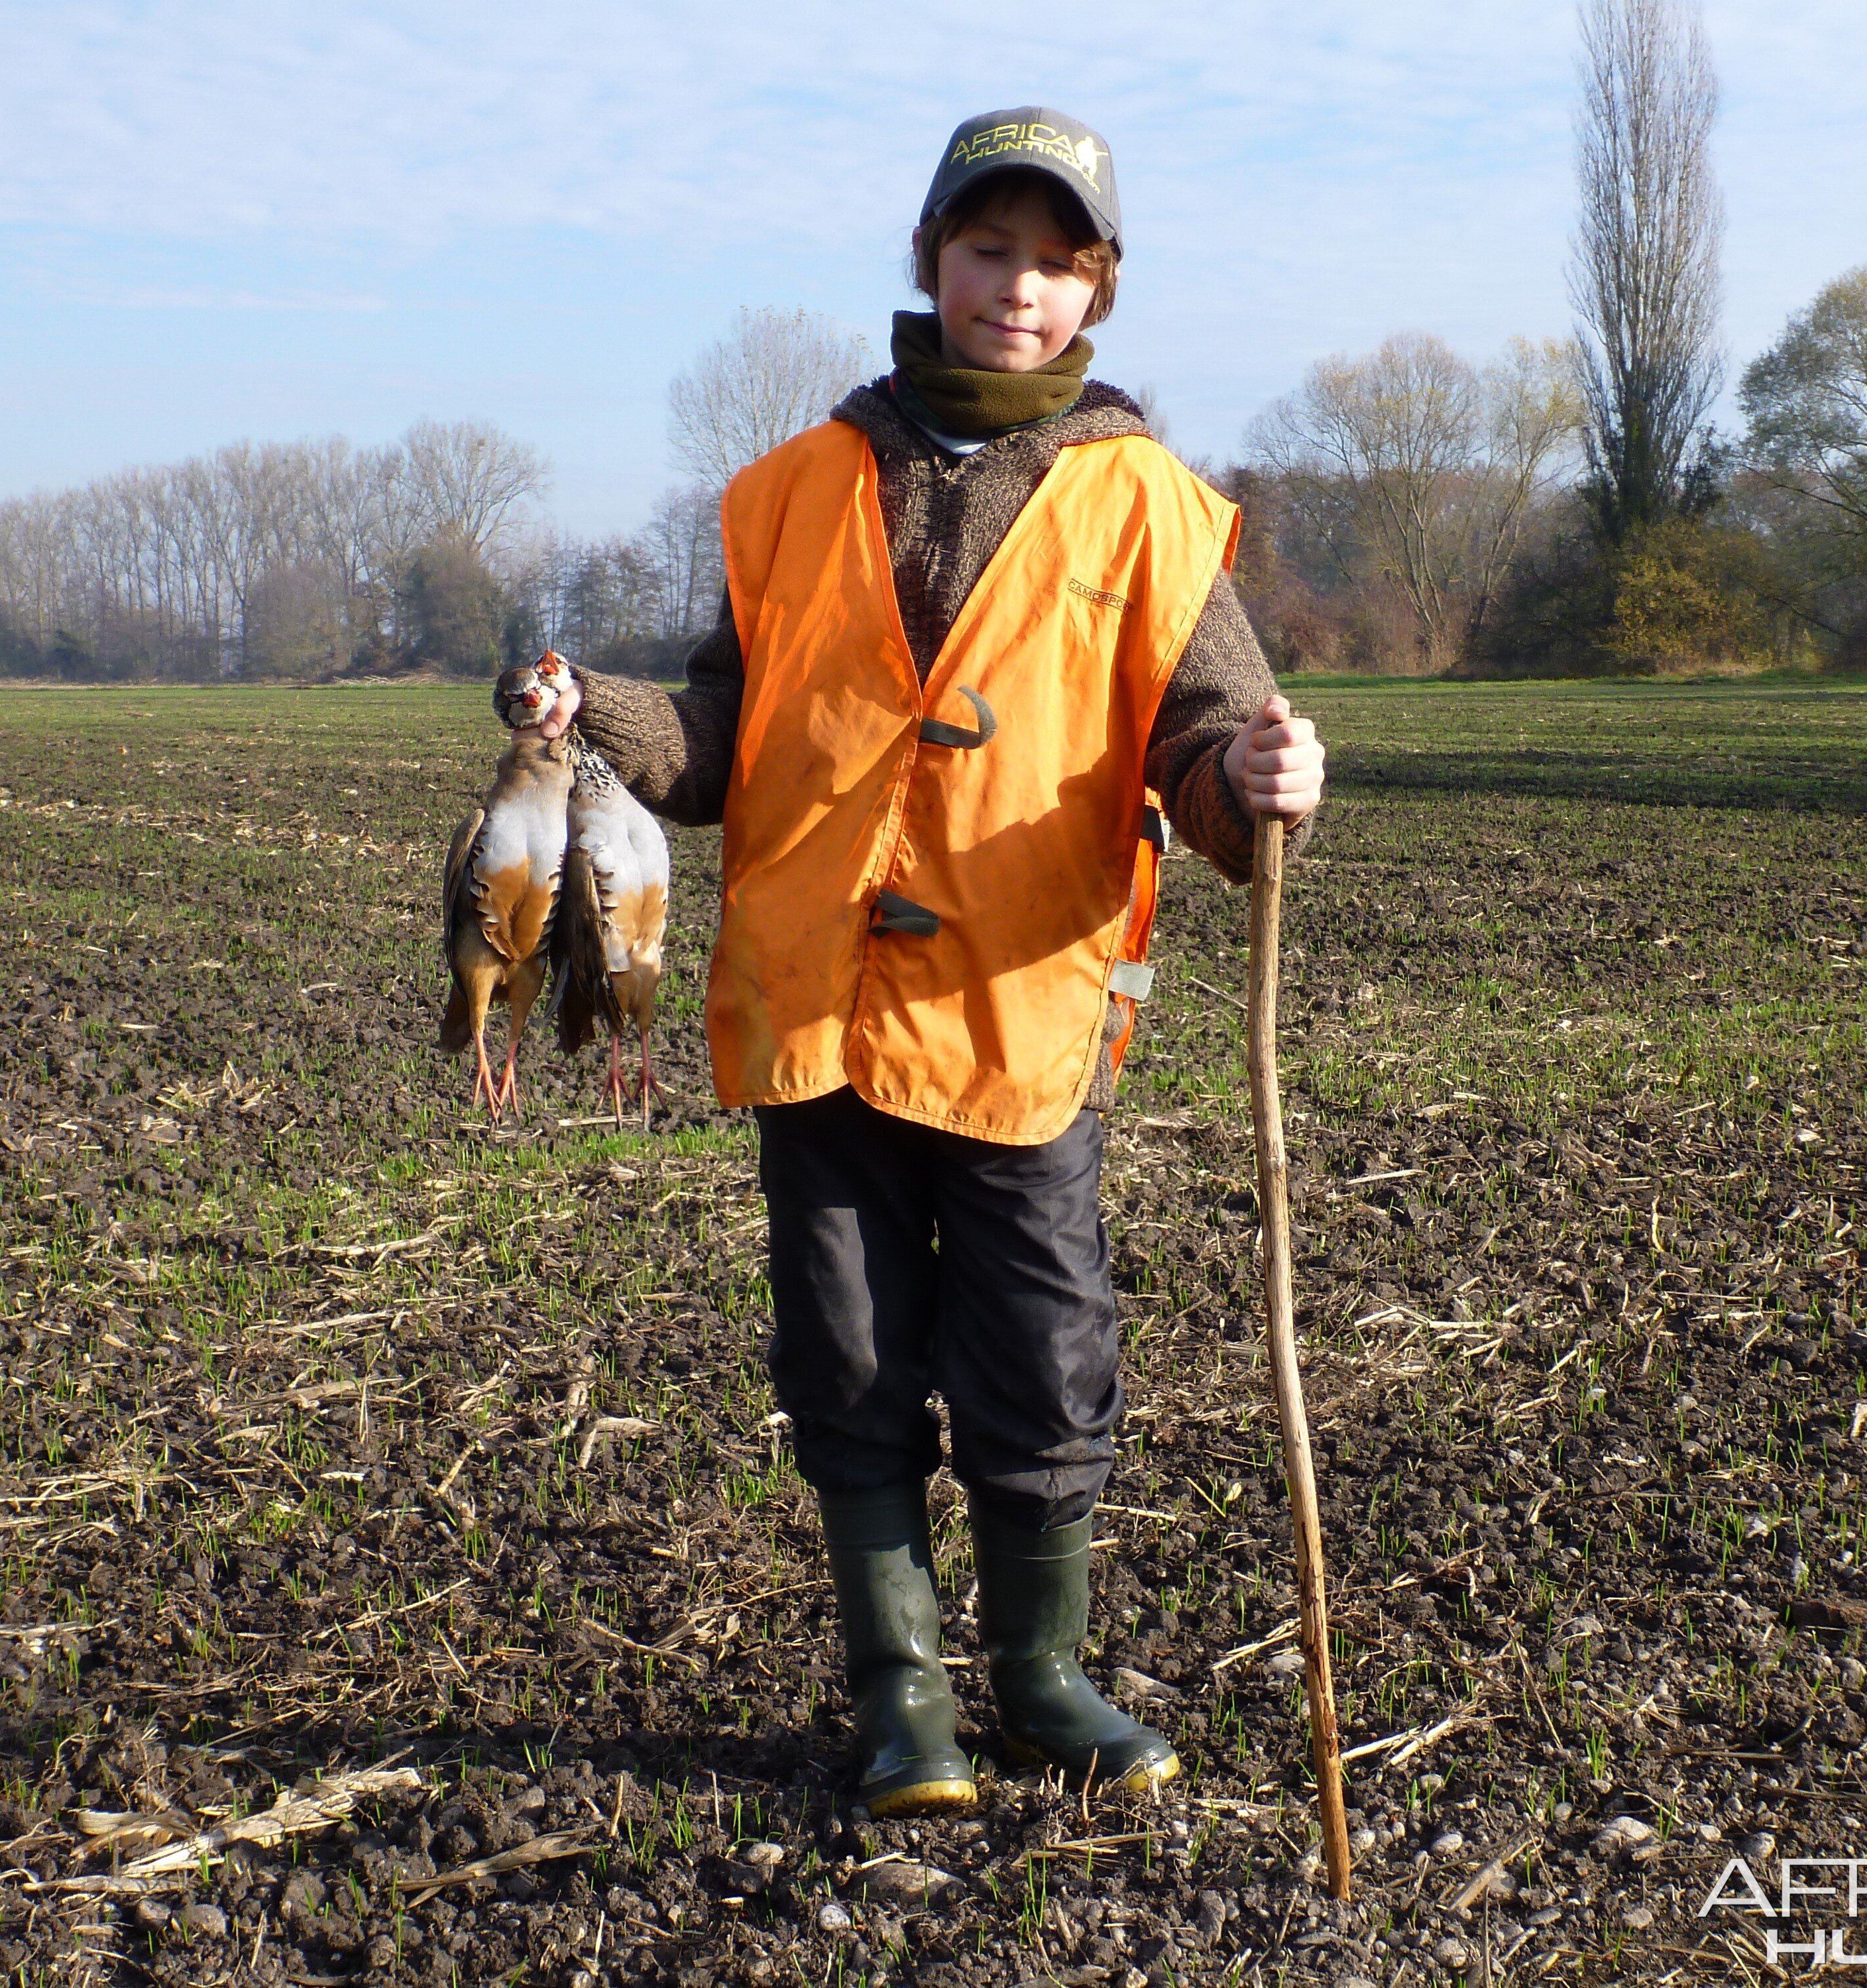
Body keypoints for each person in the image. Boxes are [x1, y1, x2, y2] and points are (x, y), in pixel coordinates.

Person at [539, 105, 1326, 1815]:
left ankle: (1042, 1677)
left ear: (1096, 288)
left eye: (1057, 262)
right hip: (813, 1008)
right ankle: (904, 1701)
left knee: (1043, 1355)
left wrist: (1257, 788)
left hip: (1021, 1011)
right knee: (845, 1354)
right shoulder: (787, 491)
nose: (1017, 290)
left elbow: (1201, 754)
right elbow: (726, 742)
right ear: (929, 262)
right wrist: (589, 715)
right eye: (989, 252)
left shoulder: (1154, 509)